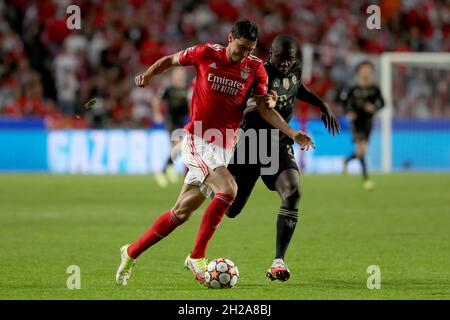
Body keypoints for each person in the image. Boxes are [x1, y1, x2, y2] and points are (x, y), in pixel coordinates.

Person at [115, 20, 314, 286]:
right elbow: (172, 60)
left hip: (224, 147)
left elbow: (265, 109)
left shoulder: (255, 69)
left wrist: (292, 132)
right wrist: (149, 75)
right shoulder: (207, 53)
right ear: (230, 37)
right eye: (241, 47)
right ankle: (197, 256)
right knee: (229, 189)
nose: (244, 54)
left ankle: (130, 253)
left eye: (250, 49)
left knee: (181, 212)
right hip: (198, 140)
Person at [225, 35, 341, 281]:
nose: (286, 64)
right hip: (250, 144)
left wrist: (322, 104)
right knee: (232, 209)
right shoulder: (258, 73)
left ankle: (278, 261)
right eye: (281, 58)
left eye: (290, 59)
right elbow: (241, 106)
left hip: (278, 143)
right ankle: (211, 181)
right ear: (271, 55)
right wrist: (260, 104)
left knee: (293, 193)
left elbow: (298, 88)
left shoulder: (295, 69)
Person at [340, 61, 384, 191]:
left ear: (372, 72)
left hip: (368, 122)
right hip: (356, 122)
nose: (366, 72)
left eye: (368, 70)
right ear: (359, 72)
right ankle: (366, 179)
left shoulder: (375, 89)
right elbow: (343, 100)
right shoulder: (352, 88)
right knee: (362, 149)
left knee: (361, 150)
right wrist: (348, 112)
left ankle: (347, 160)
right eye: (364, 70)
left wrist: (374, 107)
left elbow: (382, 103)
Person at [154, 68, 190, 187]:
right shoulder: (168, 89)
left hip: (182, 122)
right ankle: (166, 169)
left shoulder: (187, 90)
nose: (180, 76)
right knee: (178, 145)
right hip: (171, 121)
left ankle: (166, 169)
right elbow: (156, 100)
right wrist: (158, 113)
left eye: (182, 74)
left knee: (178, 147)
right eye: (178, 74)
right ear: (173, 76)